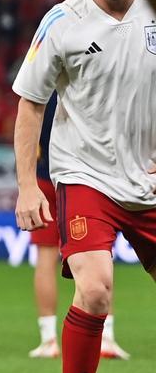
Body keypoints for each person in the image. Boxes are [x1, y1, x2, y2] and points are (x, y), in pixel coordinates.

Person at [14, 0, 155, 373]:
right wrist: (29, 184)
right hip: (85, 175)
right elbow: (29, 105)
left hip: (146, 177)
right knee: (94, 289)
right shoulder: (61, 23)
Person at [28, 94, 129, 359]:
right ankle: (105, 336)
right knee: (101, 254)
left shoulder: (45, 83)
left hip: (47, 178)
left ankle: (48, 338)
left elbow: (29, 124)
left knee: (46, 256)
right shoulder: (90, 80)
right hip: (89, 180)